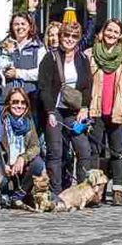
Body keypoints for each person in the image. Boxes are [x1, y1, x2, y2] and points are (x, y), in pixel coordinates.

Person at [39, 17, 97, 196]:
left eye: (74, 36)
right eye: (66, 35)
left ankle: (82, 190)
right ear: (61, 35)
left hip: (74, 109)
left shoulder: (82, 58)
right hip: (55, 108)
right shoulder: (51, 57)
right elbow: (44, 86)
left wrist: (84, 108)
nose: (69, 39)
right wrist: (49, 111)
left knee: (83, 148)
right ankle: (55, 192)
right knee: (55, 150)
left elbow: (87, 85)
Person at [87, 18, 122, 206]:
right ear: (103, 31)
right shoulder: (90, 55)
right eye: (109, 30)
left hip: (117, 111)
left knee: (117, 153)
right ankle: (95, 191)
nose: (111, 34)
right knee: (95, 152)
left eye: (116, 32)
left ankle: (118, 190)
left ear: (120, 36)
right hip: (96, 110)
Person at [0, 86, 45, 206]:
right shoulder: (0, 121)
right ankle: (4, 195)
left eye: (23, 102)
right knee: (1, 181)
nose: (19, 106)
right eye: (15, 102)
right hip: (4, 165)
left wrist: (23, 158)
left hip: (21, 166)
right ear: (8, 103)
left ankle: (17, 196)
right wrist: (2, 164)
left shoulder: (28, 121)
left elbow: (35, 146)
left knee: (38, 163)